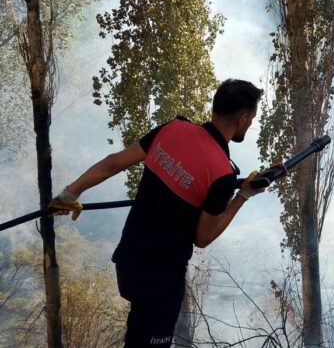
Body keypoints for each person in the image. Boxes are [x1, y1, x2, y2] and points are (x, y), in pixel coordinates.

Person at [49, 79, 271, 347]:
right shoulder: (222, 174)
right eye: (251, 119)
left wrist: (69, 194)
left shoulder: (172, 129)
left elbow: (114, 162)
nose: (250, 124)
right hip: (160, 282)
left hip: (128, 263)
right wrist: (243, 196)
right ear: (243, 118)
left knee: (137, 335)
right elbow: (203, 237)